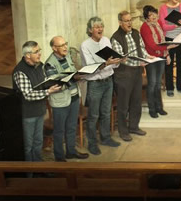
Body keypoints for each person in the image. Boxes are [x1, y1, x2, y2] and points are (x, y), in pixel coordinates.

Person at [12, 41, 62, 162]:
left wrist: (56, 82)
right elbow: (28, 95)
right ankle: (30, 174)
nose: (40, 54)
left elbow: (44, 82)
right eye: (36, 52)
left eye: (39, 51)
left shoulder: (40, 65)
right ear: (28, 55)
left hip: (39, 110)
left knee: (38, 141)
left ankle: (39, 167)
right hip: (27, 114)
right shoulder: (20, 71)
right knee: (28, 146)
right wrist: (48, 92)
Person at [80, 17, 122, 155]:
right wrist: (106, 64)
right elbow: (90, 67)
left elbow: (113, 63)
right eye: (97, 27)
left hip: (108, 81)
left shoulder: (105, 41)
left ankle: (105, 138)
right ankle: (92, 143)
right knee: (93, 115)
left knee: (105, 113)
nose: (100, 29)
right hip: (95, 84)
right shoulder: (85, 45)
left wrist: (118, 60)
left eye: (101, 26)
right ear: (90, 30)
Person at [44, 36, 89, 161]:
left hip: (74, 97)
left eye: (66, 44)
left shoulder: (67, 56)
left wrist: (80, 75)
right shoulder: (49, 64)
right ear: (54, 48)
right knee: (59, 130)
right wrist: (75, 78)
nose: (65, 47)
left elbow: (72, 72)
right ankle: (59, 156)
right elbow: (56, 85)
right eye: (61, 45)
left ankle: (71, 151)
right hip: (61, 102)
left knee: (71, 127)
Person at [111, 10, 152, 142]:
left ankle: (134, 126)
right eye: (126, 21)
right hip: (123, 74)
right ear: (120, 22)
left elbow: (142, 48)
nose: (129, 23)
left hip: (136, 71)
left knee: (136, 101)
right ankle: (123, 131)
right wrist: (125, 59)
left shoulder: (135, 33)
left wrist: (146, 57)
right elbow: (119, 56)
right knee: (123, 105)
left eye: (130, 20)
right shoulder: (116, 37)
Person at [140, 5, 175, 118]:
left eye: (155, 13)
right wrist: (168, 48)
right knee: (152, 84)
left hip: (161, 57)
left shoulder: (158, 23)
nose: (154, 16)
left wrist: (167, 54)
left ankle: (159, 107)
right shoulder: (144, 27)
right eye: (151, 15)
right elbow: (152, 45)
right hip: (151, 59)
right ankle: (152, 109)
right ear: (146, 17)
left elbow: (162, 40)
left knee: (158, 84)